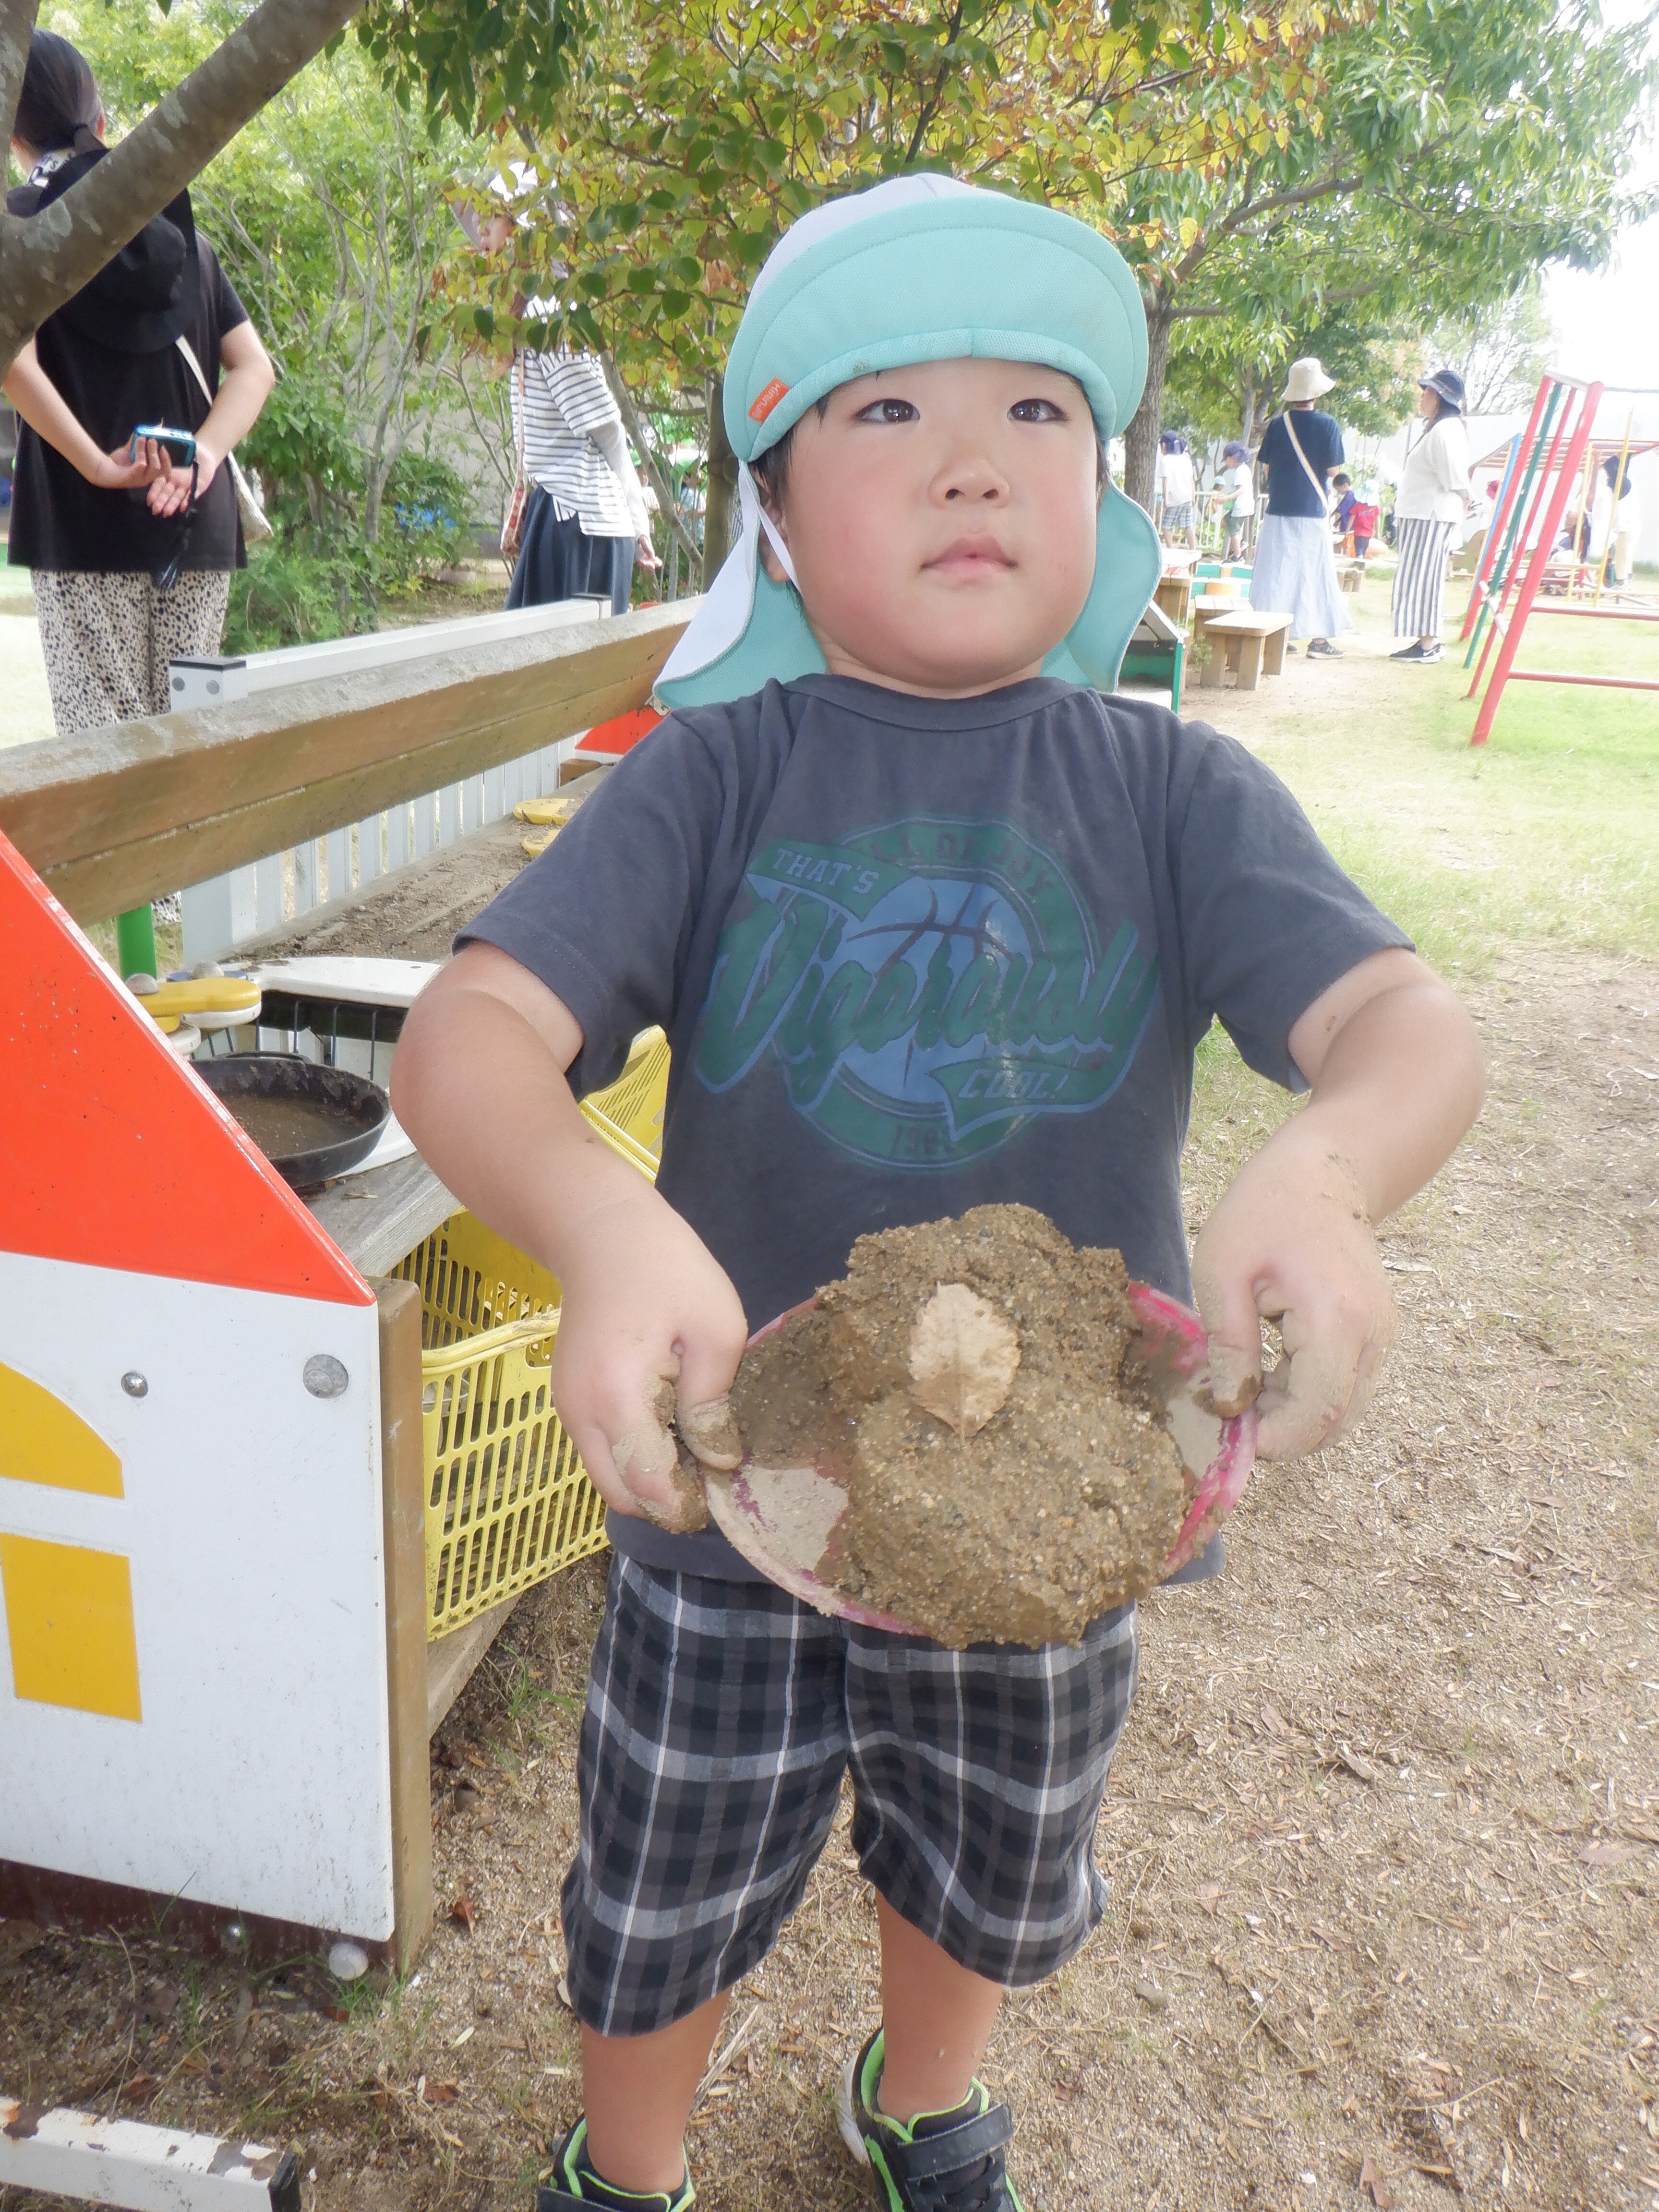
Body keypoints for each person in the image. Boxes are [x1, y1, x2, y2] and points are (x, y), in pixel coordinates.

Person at [391, 176, 1484, 2212]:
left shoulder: (1175, 793)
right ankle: (625, 2164)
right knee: (663, 1875)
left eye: (1034, 410)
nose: (970, 458)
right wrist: (605, 1227)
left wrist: (1319, 1176)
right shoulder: (708, 778)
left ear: (1104, 490)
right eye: (885, 409)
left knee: (986, 1851)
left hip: (1056, 1504)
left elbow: (1402, 1027)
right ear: (774, 508)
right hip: (734, 1492)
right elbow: (465, 1037)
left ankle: (922, 2100)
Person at [2, 28, 274, 741]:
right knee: (185, 745)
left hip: (83, 525)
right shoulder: (179, 234)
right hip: (194, 515)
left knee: (105, 751)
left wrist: (99, 465)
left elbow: (12, 361)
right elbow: (255, 368)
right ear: (98, 120)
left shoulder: (17, 236)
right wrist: (202, 457)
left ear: (14, 136)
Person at [505, 313, 660, 614]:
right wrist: (637, 519)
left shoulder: (545, 316)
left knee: (556, 641)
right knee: (555, 641)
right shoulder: (545, 316)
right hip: (575, 518)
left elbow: (606, 427)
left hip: (578, 520)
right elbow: (608, 429)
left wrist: (637, 520)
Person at [1249, 357, 1350, 657]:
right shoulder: (1328, 425)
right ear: (1316, 393)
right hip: (1311, 509)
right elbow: (1333, 471)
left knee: (1276, 573)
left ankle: (1276, 635)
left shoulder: (1278, 425)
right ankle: (1318, 641)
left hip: (1279, 509)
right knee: (1315, 573)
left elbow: (1266, 466)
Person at [1390, 366, 1471, 664]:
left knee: (1426, 579)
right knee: (1419, 578)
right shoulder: (1440, 428)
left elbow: (1454, 477)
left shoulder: (1445, 430)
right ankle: (1426, 641)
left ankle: (1429, 644)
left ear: (1440, 397)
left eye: (1428, 392)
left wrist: (1466, 499)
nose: (1423, 396)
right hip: (1423, 514)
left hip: (1431, 514)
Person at [1589, 453, 1639, 589]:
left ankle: (1623, 582)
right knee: (1619, 472)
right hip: (1620, 496)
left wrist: (1595, 464)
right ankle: (1625, 454)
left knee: (1615, 469)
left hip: (1621, 497)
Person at [1156, 429, 1197, 544]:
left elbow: (1166, 481)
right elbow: (1191, 479)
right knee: (1188, 525)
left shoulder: (1165, 461)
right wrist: (1193, 496)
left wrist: (1165, 499)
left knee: (1167, 526)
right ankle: (1193, 549)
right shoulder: (1186, 460)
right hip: (1188, 497)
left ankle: (1170, 550)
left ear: (1164, 445)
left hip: (1174, 498)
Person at [1220, 436, 1254, 560]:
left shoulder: (1240, 471)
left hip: (1241, 508)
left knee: (1233, 530)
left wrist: (1227, 498)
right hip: (1246, 507)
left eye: (1227, 460)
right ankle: (1240, 544)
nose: (1226, 463)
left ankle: (1238, 556)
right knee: (1226, 522)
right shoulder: (1245, 469)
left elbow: (1240, 490)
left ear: (1232, 458)